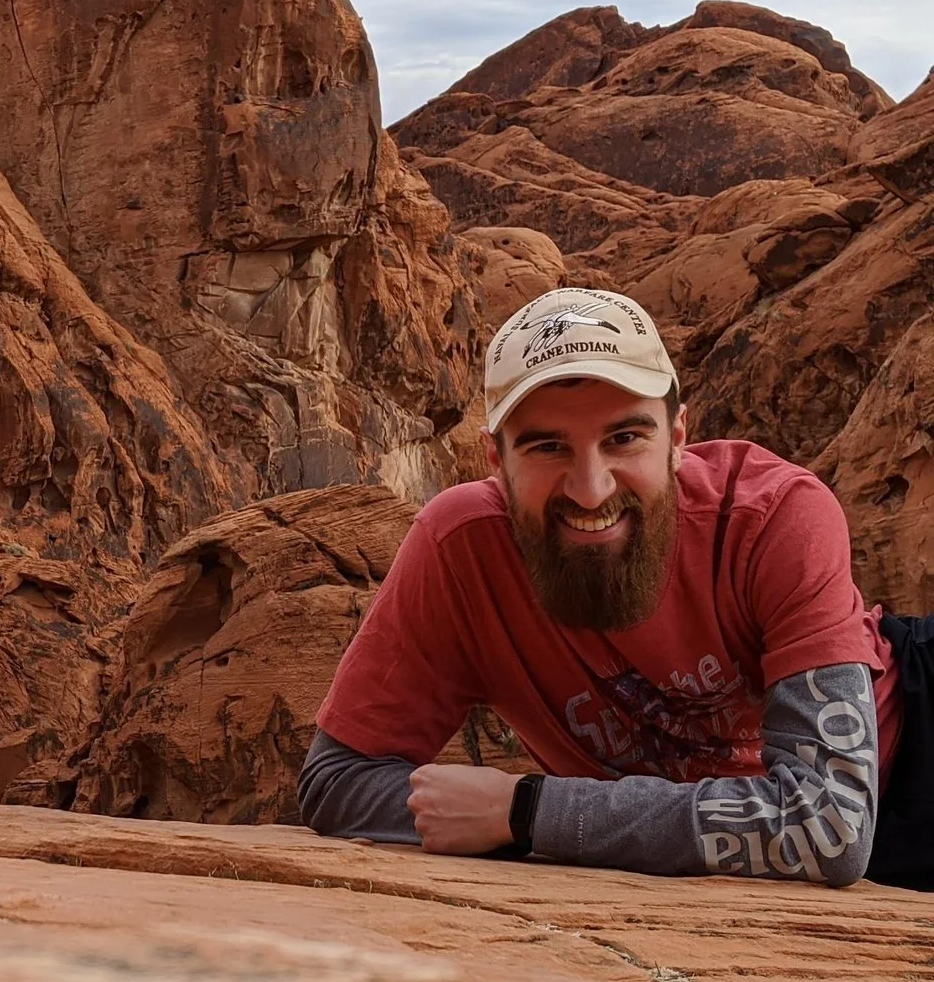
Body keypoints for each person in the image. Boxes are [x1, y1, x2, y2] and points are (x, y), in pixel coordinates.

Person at [298, 287, 934, 889]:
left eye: (624, 438)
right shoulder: (462, 550)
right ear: (497, 461)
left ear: (677, 439)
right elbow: (336, 780)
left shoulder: (770, 516)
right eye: (548, 447)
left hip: (904, 751)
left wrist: (529, 812)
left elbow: (828, 824)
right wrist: (532, 822)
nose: (590, 489)